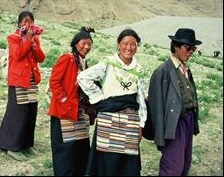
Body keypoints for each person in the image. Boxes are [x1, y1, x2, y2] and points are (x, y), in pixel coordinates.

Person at [77, 28, 147, 176]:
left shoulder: (138, 69)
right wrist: (99, 98)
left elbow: (140, 98)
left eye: (133, 44)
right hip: (108, 120)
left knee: (127, 163)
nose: (129, 48)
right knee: (106, 163)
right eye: (125, 43)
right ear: (118, 44)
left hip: (130, 121)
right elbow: (83, 78)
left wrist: (141, 124)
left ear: (137, 46)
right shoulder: (107, 64)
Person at [148, 28, 202, 176]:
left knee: (185, 164)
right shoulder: (162, 71)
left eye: (194, 48)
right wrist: (159, 138)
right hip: (173, 125)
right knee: (173, 167)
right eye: (188, 48)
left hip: (188, 122)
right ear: (176, 46)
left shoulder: (185, 69)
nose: (191, 51)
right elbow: (156, 107)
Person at [0, 11, 45, 161]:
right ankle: (13, 147)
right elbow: (17, 55)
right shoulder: (13, 38)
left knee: (31, 112)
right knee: (18, 113)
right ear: (19, 23)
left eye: (30, 21)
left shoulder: (35, 39)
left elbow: (41, 58)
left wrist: (34, 43)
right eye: (24, 21)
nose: (27, 24)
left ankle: (27, 145)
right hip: (18, 81)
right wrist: (28, 40)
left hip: (31, 80)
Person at [48, 27, 96, 176]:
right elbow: (54, 81)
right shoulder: (66, 58)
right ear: (76, 43)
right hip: (64, 110)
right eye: (83, 43)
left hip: (78, 110)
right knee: (66, 148)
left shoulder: (83, 62)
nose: (86, 47)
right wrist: (63, 99)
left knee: (79, 145)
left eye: (89, 44)